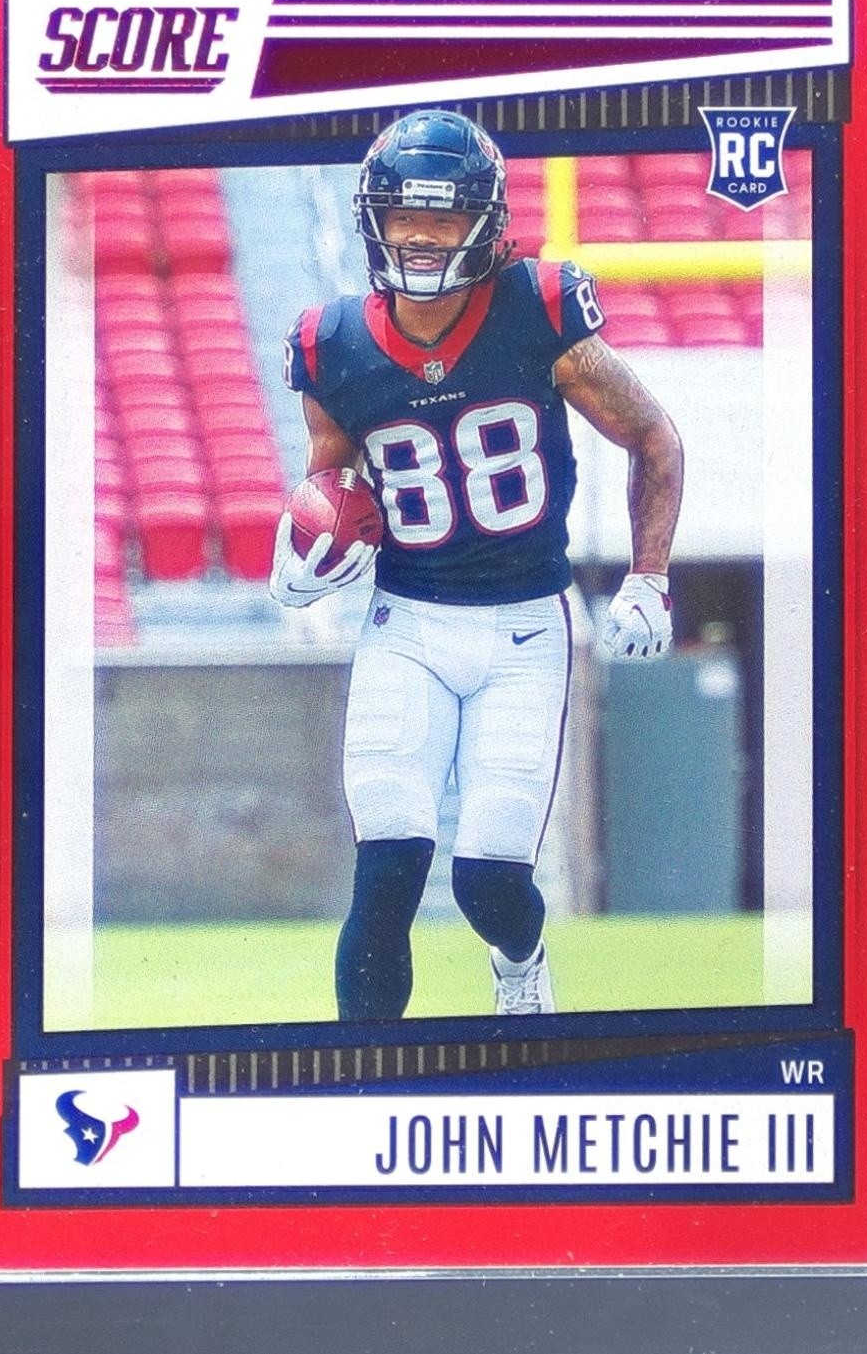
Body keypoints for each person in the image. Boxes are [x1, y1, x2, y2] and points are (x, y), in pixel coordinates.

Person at [269, 110, 683, 1020]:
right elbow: (331, 486)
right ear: (371, 219)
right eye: (403, 216)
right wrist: (302, 554)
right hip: (407, 621)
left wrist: (649, 574)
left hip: (526, 623)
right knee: (386, 868)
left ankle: (521, 958)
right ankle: (364, 1080)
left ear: (485, 224)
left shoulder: (538, 309)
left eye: (442, 217)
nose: (419, 237)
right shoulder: (331, 344)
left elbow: (652, 435)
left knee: (488, 880)